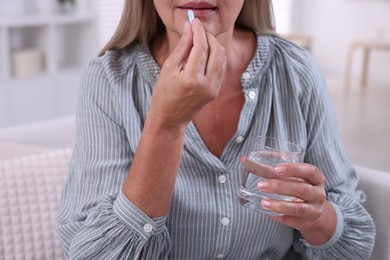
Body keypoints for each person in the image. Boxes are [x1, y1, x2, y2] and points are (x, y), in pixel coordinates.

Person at [56, 0, 376, 259]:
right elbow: (93, 253)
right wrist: (167, 122)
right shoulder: (109, 80)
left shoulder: (297, 72)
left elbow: (354, 242)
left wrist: (316, 217)